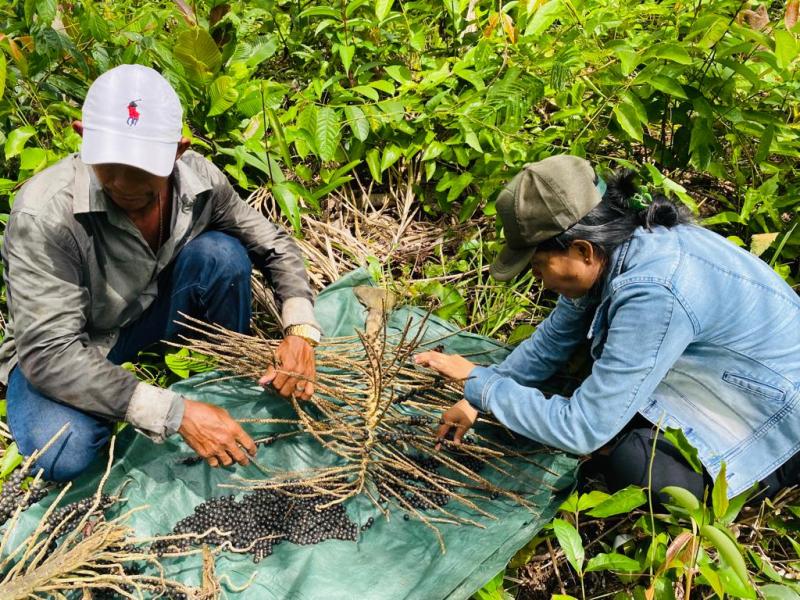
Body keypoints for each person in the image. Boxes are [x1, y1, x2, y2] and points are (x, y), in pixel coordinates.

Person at [0, 64, 323, 481]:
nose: (123, 181)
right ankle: (174, 411)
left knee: (222, 256)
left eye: (142, 166)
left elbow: (273, 243)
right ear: (82, 135)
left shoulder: (199, 180)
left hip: (148, 311)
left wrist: (300, 330)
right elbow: (49, 353)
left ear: (178, 150)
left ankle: (222, 386)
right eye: (109, 163)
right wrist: (172, 412)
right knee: (63, 450)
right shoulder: (43, 214)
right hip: (72, 347)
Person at [416, 155, 800, 502]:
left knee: (636, 465)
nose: (541, 283)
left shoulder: (653, 291)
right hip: (726, 379)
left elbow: (582, 430)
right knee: (573, 382)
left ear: (581, 250)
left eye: (538, 267)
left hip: (776, 421)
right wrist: (476, 399)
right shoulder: (621, 245)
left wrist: (481, 382)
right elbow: (556, 338)